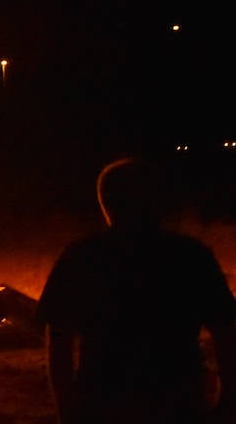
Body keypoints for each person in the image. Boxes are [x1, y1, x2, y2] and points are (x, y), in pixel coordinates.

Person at [36, 156, 236, 424]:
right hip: (178, 403)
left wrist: (67, 409)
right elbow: (226, 334)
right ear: (157, 200)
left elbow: (58, 344)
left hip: (102, 403)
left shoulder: (81, 258)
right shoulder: (190, 257)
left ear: (105, 204)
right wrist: (227, 400)